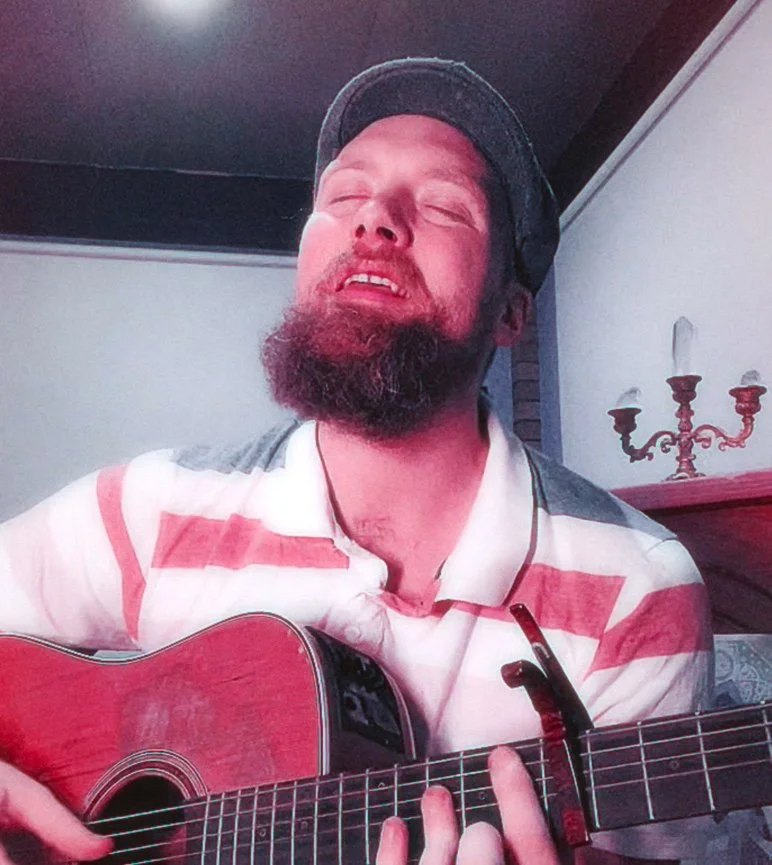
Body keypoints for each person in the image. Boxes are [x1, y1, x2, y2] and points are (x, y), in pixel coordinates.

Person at [0, 59, 711, 864]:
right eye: (343, 196)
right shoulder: (152, 511)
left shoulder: (637, 589)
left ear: (510, 312)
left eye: (443, 204)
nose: (375, 216)